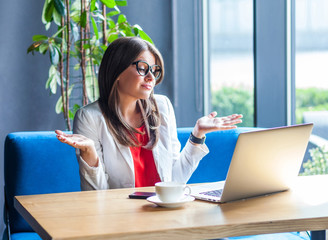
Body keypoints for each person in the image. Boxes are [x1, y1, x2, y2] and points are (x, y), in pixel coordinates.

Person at [56, 37, 242, 191]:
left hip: (163, 214)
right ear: (117, 71)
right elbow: (96, 198)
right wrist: (89, 153)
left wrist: (198, 134)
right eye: (143, 68)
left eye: (154, 70)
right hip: (121, 220)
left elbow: (174, 181)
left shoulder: (162, 106)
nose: (151, 77)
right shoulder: (90, 118)